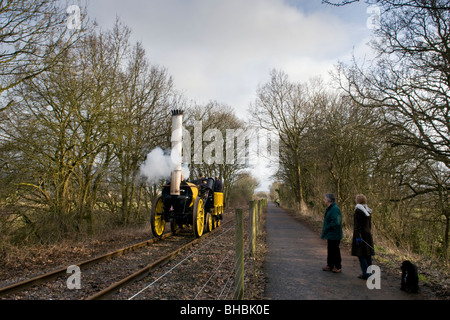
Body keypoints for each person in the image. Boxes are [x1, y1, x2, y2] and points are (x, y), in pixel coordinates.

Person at [351, 194, 375, 280]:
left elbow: (357, 226)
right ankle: (370, 273)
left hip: (361, 235)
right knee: (368, 254)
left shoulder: (358, 210)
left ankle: (365, 273)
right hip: (368, 234)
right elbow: (369, 225)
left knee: (361, 255)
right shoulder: (367, 210)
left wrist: (357, 237)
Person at [321, 193, 343, 273]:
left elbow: (336, 222)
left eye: (325, 199)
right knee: (330, 249)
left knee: (335, 250)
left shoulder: (334, 209)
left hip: (335, 233)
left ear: (328, 200)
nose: (324, 200)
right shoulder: (330, 208)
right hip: (331, 233)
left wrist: (328, 227)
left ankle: (337, 266)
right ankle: (330, 265)